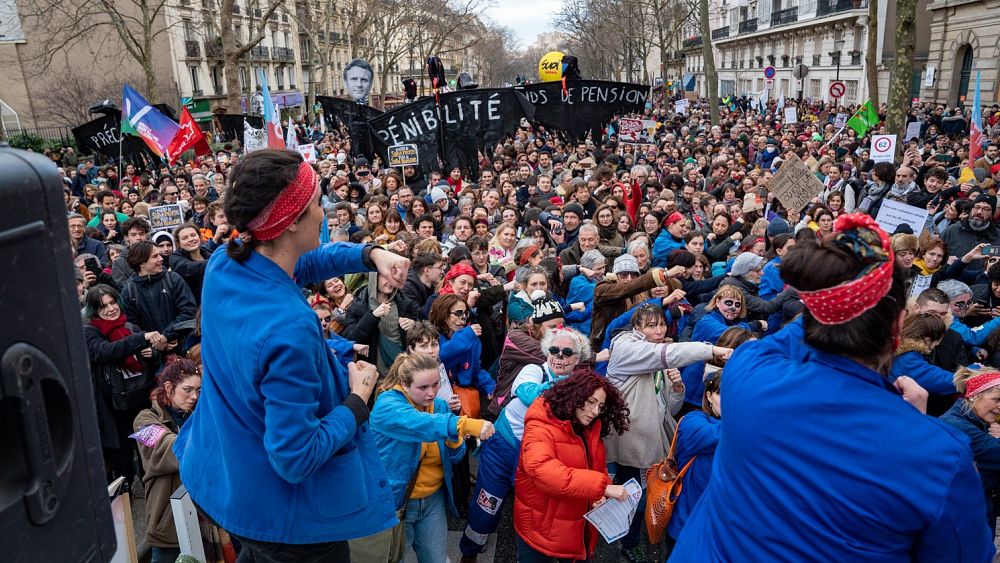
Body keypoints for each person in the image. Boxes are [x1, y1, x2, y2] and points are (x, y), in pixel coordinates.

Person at [670, 213, 994, 562]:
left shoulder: (749, 374)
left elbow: (788, 336)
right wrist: (915, 426)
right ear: (900, 324)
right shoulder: (940, 456)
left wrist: (833, 293)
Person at [174, 149, 410, 561]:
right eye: (318, 202)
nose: (326, 212)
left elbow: (300, 264)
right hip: (288, 519)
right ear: (292, 221)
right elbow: (295, 456)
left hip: (230, 479)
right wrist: (356, 402)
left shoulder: (226, 263)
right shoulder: (290, 328)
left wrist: (370, 254)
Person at [604, 302, 731, 562]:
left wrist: (677, 390)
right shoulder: (628, 348)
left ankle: (633, 535)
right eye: (651, 325)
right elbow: (669, 353)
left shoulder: (653, 354)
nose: (659, 330)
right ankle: (626, 543)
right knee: (635, 496)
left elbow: (667, 409)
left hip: (654, 439)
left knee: (642, 494)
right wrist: (712, 350)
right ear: (637, 328)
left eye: (661, 324)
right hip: (633, 441)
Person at [460, 327, 588, 561]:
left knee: (534, 513)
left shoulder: (582, 384)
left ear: (577, 359)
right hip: (504, 448)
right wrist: (569, 390)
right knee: (486, 507)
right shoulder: (533, 369)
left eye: (567, 352)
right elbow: (528, 393)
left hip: (540, 457)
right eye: (554, 350)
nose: (559, 356)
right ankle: (469, 553)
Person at [359, 352, 495, 563]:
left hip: (432, 500)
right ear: (404, 385)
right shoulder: (387, 405)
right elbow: (420, 423)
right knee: (396, 558)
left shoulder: (439, 406)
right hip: (396, 501)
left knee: (437, 559)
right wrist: (463, 424)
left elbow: (456, 457)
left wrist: (454, 439)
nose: (432, 393)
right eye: (423, 388)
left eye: (435, 384)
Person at [514, 370, 630, 562]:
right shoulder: (540, 425)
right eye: (591, 402)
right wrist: (603, 487)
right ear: (574, 396)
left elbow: (596, 466)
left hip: (574, 527)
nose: (595, 411)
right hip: (539, 528)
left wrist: (600, 493)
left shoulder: (591, 425)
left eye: (600, 406)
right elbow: (542, 469)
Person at [83, 284, 162, 487]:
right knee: (123, 458)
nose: (111, 309)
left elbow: (151, 361)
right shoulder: (90, 332)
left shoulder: (129, 327)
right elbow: (106, 351)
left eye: (112, 303)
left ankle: (152, 490)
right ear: (95, 310)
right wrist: (139, 339)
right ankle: (125, 504)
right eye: (103, 307)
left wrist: (152, 353)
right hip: (115, 407)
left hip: (142, 400)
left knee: (149, 449)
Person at [133, 359, 202, 563]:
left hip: (200, 516)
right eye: (187, 390)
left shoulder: (194, 415)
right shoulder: (144, 420)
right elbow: (167, 448)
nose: (194, 397)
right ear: (169, 388)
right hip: (167, 520)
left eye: (198, 390)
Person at [940, 367, 1000, 534]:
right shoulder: (957, 426)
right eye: (996, 399)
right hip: (962, 515)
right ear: (974, 395)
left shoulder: (975, 419)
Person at [121, 240, 197, 357]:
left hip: (183, 347)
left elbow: (188, 311)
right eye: (155, 256)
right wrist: (156, 343)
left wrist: (167, 336)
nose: (161, 259)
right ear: (141, 263)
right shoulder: (129, 291)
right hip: (154, 358)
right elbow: (131, 326)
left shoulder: (173, 279)